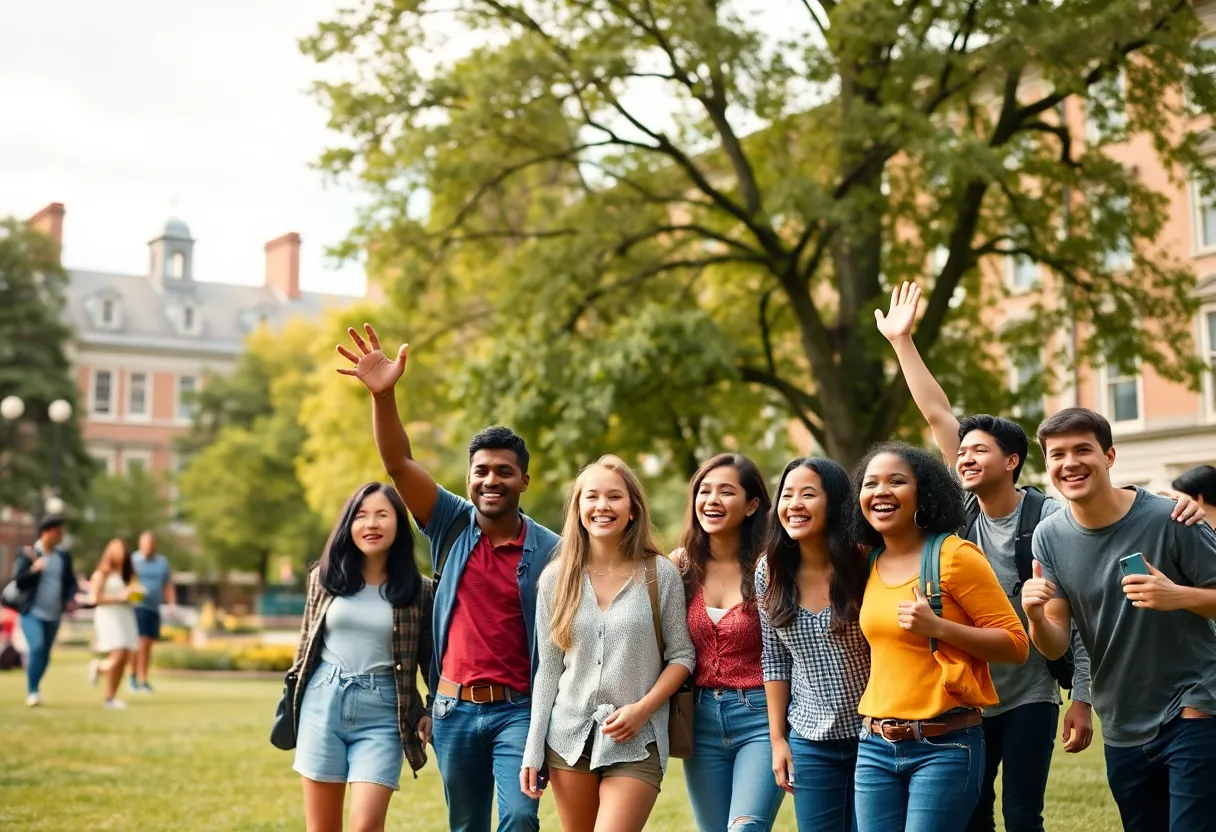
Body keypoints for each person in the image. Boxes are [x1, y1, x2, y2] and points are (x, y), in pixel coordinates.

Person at [337, 323, 560, 832]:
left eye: (505, 471)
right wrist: (385, 395)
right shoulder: (451, 524)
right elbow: (398, 462)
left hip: (518, 712)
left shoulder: (551, 551)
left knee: (521, 817)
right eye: (481, 470)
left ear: (524, 480)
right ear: (468, 478)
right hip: (453, 709)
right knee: (466, 825)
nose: (491, 480)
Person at [1022, 408, 1216, 832]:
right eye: (1057, 455)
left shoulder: (1171, 518)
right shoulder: (1048, 536)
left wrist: (1177, 596)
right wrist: (1035, 617)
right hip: (1122, 722)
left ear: (1109, 456)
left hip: (1194, 707)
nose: (1069, 463)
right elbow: (1055, 644)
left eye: (1082, 450)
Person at [853, 442, 1030, 832]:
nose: (881, 491)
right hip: (875, 746)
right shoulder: (866, 561)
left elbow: (1016, 645)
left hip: (945, 745)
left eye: (896, 482)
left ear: (923, 493)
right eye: (871, 484)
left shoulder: (955, 556)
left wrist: (938, 628)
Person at [520, 455, 696, 832]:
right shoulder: (555, 579)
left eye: (614, 497)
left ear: (632, 509)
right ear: (578, 508)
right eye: (592, 497)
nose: (602, 506)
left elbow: (682, 655)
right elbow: (548, 669)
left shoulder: (658, 574)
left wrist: (643, 709)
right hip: (568, 738)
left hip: (638, 739)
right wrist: (533, 749)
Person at [290, 482, 435, 832]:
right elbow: (305, 646)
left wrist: (431, 708)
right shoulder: (323, 580)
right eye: (361, 515)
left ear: (398, 525)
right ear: (348, 525)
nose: (371, 523)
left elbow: (431, 661)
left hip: (384, 709)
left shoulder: (421, 591)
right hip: (323, 703)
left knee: (367, 825)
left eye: (382, 515)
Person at [671, 453, 784, 832]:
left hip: (760, 719)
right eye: (704, 491)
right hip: (699, 721)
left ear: (753, 505)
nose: (712, 500)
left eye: (726, 491)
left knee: (745, 827)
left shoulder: (773, 567)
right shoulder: (681, 568)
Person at [757, 458, 870, 832]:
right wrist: (778, 741)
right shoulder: (769, 570)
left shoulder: (866, 563)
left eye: (808, 494)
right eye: (787, 495)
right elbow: (774, 660)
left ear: (835, 502)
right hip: (810, 738)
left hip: (873, 735)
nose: (794, 504)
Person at [10, 515, 77, 706]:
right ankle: (32, 691)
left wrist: (71, 598)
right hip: (32, 611)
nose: (61, 536)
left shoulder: (63, 557)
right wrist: (34, 570)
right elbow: (19, 582)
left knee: (45, 654)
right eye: (58, 532)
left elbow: (70, 583)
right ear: (46, 533)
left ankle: (36, 686)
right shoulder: (28, 554)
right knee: (37, 647)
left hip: (54, 613)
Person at [87, 538, 139, 709]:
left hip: (125, 615)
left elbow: (134, 590)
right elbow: (95, 598)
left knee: (124, 657)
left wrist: (135, 596)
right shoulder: (102, 573)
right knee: (117, 655)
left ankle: (111, 696)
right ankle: (99, 667)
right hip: (109, 616)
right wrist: (118, 598)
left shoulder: (128, 574)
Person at [130, 530, 176, 693]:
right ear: (140, 544)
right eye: (145, 544)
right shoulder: (133, 560)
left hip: (154, 608)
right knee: (141, 644)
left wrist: (171, 604)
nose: (148, 547)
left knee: (148, 645)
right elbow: (127, 581)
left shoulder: (162, 562)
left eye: (151, 544)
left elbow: (167, 584)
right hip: (138, 607)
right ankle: (136, 679)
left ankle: (143, 678)